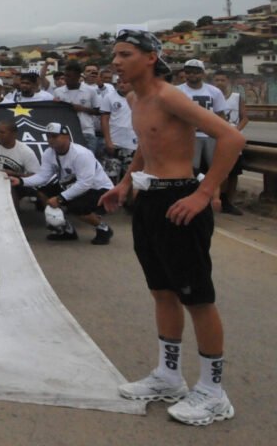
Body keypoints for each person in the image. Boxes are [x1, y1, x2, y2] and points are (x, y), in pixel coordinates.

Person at [99, 30, 244, 426]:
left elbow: (231, 136)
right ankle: (169, 376)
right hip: (149, 201)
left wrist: (204, 193)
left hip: (181, 200)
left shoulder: (168, 96)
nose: (116, 61)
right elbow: (148, 145)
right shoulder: (134, 98)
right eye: (115, 54)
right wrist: (126, 183)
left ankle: (214, 393)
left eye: (125, 54)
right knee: (162, 291)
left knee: (197, 297)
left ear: (149, 58)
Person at [11, 122, 114, 244]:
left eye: (55, 136)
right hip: (71, 185)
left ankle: (104, 228)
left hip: (98, 188)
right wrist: (21, 181)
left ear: (67, 137)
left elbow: (85, 183)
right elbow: (43, 176)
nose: (51, 140)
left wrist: (60, 199)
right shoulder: (49, 153)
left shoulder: (81, 154)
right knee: (43, 192)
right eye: (48, 136)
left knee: (76, 207)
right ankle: (66, 230)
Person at [175, 59, 227, 177]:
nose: (192, 74)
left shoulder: (214, 91)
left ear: (203, 73)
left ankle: (214, 195)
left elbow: (221, 115)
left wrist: (222, 135)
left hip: (210, 135)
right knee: (191, 170)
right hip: (187, 137)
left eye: (196, 72)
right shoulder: (177, 91)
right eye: (188, 72)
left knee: (215, 170)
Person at [211, 70, 248, 215]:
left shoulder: (236, 98)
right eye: (217, 80)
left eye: (222, 80)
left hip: (232, 140)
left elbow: (244, 118)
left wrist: (236, 131)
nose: (220, 83)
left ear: (228, 81)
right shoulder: (210, 96)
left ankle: (228, 202)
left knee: (233, 172)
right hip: (215, 138)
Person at [52, 62, 101, 146]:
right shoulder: (58, 91)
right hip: (66, 132)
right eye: (65, 76)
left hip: (86, 131)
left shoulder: (90, 90)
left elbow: (98, 111)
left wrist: (81, 108)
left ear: (78, 77)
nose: (66, 79)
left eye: (69, 76)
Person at [100, 76, 138, 184]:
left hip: (133, 144)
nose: (121, 85)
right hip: (114, 143)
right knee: (110, 177)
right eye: (119, 82)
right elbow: (104, 119)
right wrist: (108, 141)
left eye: (125, 82)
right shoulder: (109, 97)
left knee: (132, 179)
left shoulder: (140, 97)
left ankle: (129, 201)